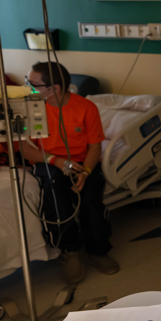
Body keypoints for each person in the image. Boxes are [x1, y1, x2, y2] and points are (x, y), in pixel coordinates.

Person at [22, 61, 118, 283]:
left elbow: (95, 147)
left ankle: (98, 252)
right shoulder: (31, 109)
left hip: (81, 162)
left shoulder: (85, 108)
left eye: (33, 84)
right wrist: (55, 161)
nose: (29, 88)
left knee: (92, 195)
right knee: (55, 189)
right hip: (48, 160)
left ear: (53, 88)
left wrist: (85, 171)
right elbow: (26, 149)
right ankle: (70, 252)